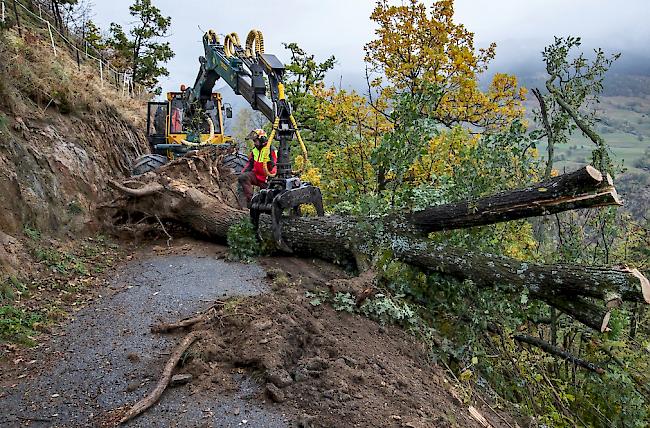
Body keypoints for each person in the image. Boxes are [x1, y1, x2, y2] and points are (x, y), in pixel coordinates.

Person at [238, 129, 277, 208]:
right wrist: (242, 173)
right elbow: (250, 164)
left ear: (262, 140)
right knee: (243, 177)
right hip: (256, 176)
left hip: (266, 179)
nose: (254, 143)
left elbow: (275, 165)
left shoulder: (271, 150)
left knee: (266, 199)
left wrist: (271, 176)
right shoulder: (254, 150)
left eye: (255, 141)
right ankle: (251, 202)